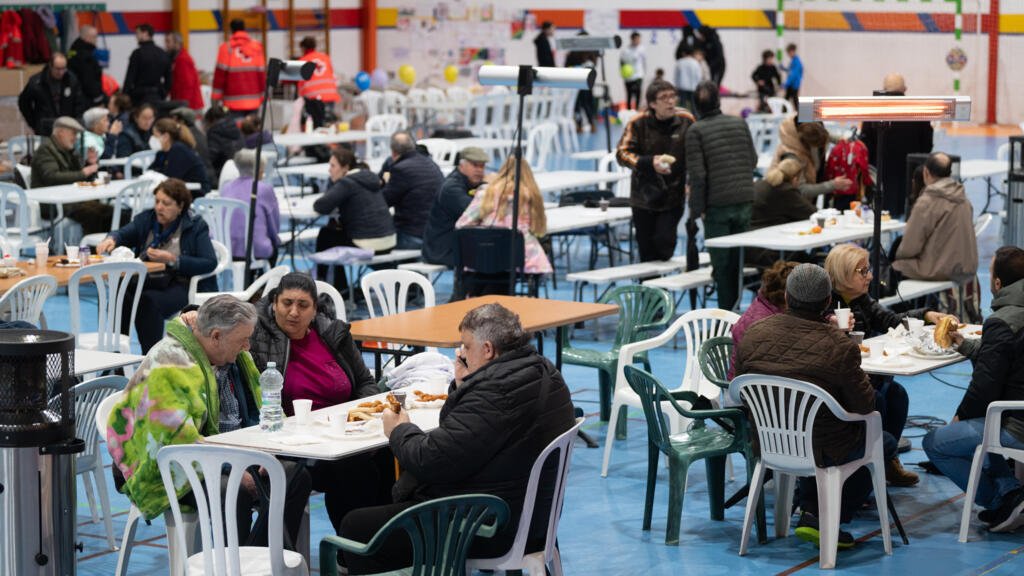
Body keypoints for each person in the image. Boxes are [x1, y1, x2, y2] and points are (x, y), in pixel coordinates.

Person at [338, 303, 576, 574]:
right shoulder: (544, 371)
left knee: (355, 526)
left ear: (487, 349)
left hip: (489, 526)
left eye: (466, 346)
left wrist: (399, 429)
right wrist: (464, 385)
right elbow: (469, 437)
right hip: (536, 518)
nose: (461, 353)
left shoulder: (494, 394)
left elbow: (431, 460)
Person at [105, 295, 312, 548]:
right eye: (242, 339)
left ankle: (261, 559)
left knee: (295, 477)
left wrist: (267, 453)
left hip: (228, 452)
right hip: (170, 465)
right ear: (215, 336)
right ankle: (233, 564)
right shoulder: (170, 363)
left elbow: (260, 409)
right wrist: (231, 468)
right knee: (233, 491)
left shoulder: (233, 356)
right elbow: (178, 442)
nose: (247, 346)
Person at [735, 263, 898, 549]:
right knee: (882, 441)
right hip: (822, 448)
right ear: (827, 302)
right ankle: (829, 518)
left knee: (823, 428)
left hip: (769, 443)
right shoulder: (839, 345)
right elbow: (865, 405)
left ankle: (811, 508)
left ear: (787, 297)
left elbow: (742, 389)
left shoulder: (754, 333)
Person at [248, 272, 388, 532]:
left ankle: (384, 542)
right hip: (293, 443)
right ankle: (355, 545)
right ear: (274, 303)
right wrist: (190, 313)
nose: (294, 312)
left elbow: (366, 382)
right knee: (353, 468)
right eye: (287, 303)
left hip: (341, 432)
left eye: (303, 305)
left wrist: (355, 417)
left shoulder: (332, 333)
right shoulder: (257, 334)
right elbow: (219, 317)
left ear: (314, 310)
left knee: (390, 454)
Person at [825, 242, 957, 486]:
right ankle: (864, 472)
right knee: (878, 398)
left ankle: (887, 460)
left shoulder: (862, 300)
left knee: (897, 395)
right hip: (838, 385)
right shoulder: (826, 306)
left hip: (864, 375)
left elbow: (891, 320)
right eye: (863, 271)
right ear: (843, 273)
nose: (870, 276)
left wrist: (926, 314)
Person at [922, 246, 1024, 533]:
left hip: (1017, 424)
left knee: (935, 443)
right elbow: (1006, 356)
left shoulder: (1002, 322)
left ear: (997, 283)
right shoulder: (1009, 323)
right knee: (984, 424)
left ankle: (1001, 502)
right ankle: (1009, 488)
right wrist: (964, 344)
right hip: (1014, 414)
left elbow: (984, 387)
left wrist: (959, 418)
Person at [96, 178, 217, 353]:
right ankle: (117, 355)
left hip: (180, 284)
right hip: (149, 280)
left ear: (180, 206)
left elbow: (209, 262)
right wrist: (112, 239)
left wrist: (173, 259)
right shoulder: (147, 219)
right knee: (120, 294)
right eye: (157, 201)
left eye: (166, 203)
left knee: (148, 302)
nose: (159, 207)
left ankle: (150, 358)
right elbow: (123, 233)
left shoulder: (195, 225)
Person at [685, 81, 757, 310]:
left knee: (722, 265)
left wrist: (695, 212)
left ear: (695, 105)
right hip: (744, 200)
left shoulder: (695, 131)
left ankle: (727, 317)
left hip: (717, 207)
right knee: (737, 262)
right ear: (718, 100)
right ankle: (737, 314)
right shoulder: (739, 123)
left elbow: (698, 177)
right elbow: (753, 160)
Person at [892, 152, 979, 320]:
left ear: (926, 172)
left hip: (940, 269)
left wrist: (898, 257)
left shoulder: (928, 201)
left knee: (894, 268)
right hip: (967, 268)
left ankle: (904, 320)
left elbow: (910, 246)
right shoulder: (963, 198)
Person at [616, 79, 694, 263]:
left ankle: (662, 280)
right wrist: (649, 162)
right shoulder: (637, 123)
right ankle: (649, 282)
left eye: (673, 96)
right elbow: (622, 154)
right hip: (643, 197)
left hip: (674, 195)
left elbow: (697, 154)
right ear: (652, 104)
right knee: (647, 253)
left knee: (664, 245)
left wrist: (691, 183)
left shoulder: (686, 120)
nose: (670, 101)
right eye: (664, 98)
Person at [456, 156, 552, 294]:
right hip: (520, 260)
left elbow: (461, 225)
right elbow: (538, 228)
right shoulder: (532, 195)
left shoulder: (486, 192)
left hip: (485, 256)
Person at [313, 148, 396, 295]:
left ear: (345, 168)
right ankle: (339, 287)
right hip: (389, 240)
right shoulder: (370, 179)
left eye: (333, 166)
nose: (329, 170)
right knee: (334, 235)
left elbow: (321, 206)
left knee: (326, 234)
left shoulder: (347, 183)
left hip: (369, 243)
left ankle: (324, 287)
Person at [860, 73, 934, 219]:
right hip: (911, 171)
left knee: (882, 214)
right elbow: (927, 144)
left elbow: (866, 145)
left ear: (883, 89)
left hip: (881, 173)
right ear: (905, 89)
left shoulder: (874, 109)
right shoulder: (918, 109)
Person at [30, 116, 113, 235]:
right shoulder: (46, 150)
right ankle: (93, 245)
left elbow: (79, 175)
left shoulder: (67, 150)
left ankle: (107, 242)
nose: (75, 138)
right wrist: (84, 172)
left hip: (71, 199)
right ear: (60, 132)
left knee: (110, 212)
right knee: (97, 215)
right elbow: (52, 177)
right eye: (73, 133)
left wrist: (90, 162)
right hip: (53, 204)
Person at [727, 260, 798, 379]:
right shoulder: (766, 324)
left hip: (743, 381)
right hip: (750, 386)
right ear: (787, 296)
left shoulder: (762, 304)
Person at [422, 147, 488, 268]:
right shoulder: (451, 188)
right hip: (443, 250)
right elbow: (475, 213)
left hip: (458, 244)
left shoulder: (474, 183)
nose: (480, 170)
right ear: (461, 165)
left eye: (482, 166)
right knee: (491, 257)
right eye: (475, 165)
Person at [380, 132, 445, 249]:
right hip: (435, 234)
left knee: (372, 240)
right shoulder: (431, 163)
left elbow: (384, 202)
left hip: (413, 235)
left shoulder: (400, 169)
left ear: (393, 152)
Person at [219, 148, 280, 262]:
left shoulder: (226, 188)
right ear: (258, 169)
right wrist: (275, 241)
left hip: (226, 249)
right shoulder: (264, 189)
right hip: (255, 250)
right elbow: (274, 225)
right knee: (273, 245)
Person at [18, 52, 86, 136]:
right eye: (58, 69)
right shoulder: (37, 82)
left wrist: (77, 123)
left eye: (63, 68)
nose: (61, 72)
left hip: (67, 127)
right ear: (51, 66)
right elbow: (23, 103)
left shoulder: (72, 80)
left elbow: (79, 104)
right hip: (45, 129)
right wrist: (35, 124)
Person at [212, 19, 267, 116]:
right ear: (244, 28)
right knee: (251, 125)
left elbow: (219, 77)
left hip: (232, 102)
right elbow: (261, 75)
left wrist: (215, 98)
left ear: (231, 30)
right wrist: (264, 96)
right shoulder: (257, 47)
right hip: (254, 101)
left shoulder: (226, 48)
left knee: (234, 126)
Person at [150, 118, 211, 197]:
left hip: (197, 192)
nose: (153, 139)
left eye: (155, 136)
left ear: (166, 136)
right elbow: (152, 170)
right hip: (181, 190)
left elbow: (171, 177)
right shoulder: (162, 153)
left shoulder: (179, 150)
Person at [296, 36, 340, 128]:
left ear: (303, 48)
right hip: (330, 95)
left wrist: (300, 97)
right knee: (329, 124)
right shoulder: (325, 57)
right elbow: (332, 75)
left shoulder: (302, 61)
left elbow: (300, 83)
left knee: (316, 126)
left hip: (313, 98)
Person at [123, 23, 170, 106]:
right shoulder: (163, 53)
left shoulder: (137, 54)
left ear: (145, 33)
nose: (136, 37)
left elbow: (130, 77)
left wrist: (125, 94)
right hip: (157, 95)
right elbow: (169, 79)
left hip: (139, 97)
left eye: (138, 33)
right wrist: (163, 93)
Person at [170, 106, 215, 185]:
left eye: (174, 120)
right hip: (209, 177)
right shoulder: (200, 134)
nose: (172, 124)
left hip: (198, 182)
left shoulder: (184, 138)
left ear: (182, 121)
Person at [203, 104, 243, 180]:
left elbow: (211, 156)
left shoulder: (214, 132)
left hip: (223, 173)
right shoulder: (235, 128)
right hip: (240, 170)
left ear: (212, 120)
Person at [165, 31, 204, 111]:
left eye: (168, 42)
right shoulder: (176, 59)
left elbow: (187, 85)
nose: (166, 45)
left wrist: (183, 106)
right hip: (183, 103)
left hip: (189, 106)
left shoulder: (182, 60)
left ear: (177, 44)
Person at [67, 25, 104, 107]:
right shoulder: (85, 56)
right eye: (94, 37)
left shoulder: (73, 50)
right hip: (86, 99)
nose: (96, 40)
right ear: (86, 38)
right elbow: (89, 80)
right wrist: (98, 98)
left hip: (74, 96)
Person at [621, 31, 646, 110]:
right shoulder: (626, 50)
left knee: (638, 93)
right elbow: (622, 62)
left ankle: (637, 109)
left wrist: (643, 72)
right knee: (629, 94)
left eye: (639, 39)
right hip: (629, 76)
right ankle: (629, 110)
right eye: (636, 39)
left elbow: (643, 62)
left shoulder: (642, 49)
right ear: (632, 39)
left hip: (638, 75)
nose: (638, 40)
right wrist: (624, 73)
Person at [673, 44, 702, 111]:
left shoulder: (679, 62)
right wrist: (699, 87)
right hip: (693, 87)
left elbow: (676, 77)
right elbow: (698, 76)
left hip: (682, 87)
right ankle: (695, 117)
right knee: (694, 106)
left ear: (683, 53)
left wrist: (676, 86)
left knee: (682, 106)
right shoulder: (695, 63)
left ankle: (682, 117)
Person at [781, 43, 803, 111]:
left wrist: (786, 83)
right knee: (788, 99)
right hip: (792, 84)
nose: (788, 55)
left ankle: (799, 114)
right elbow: (790, 70)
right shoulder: (793, 60)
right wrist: (784, 68)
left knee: (793, 100)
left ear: (792, 51)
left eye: (788, 53)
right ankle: (784, 111)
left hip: (794, 84)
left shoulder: (797, 61)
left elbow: (793, 75)